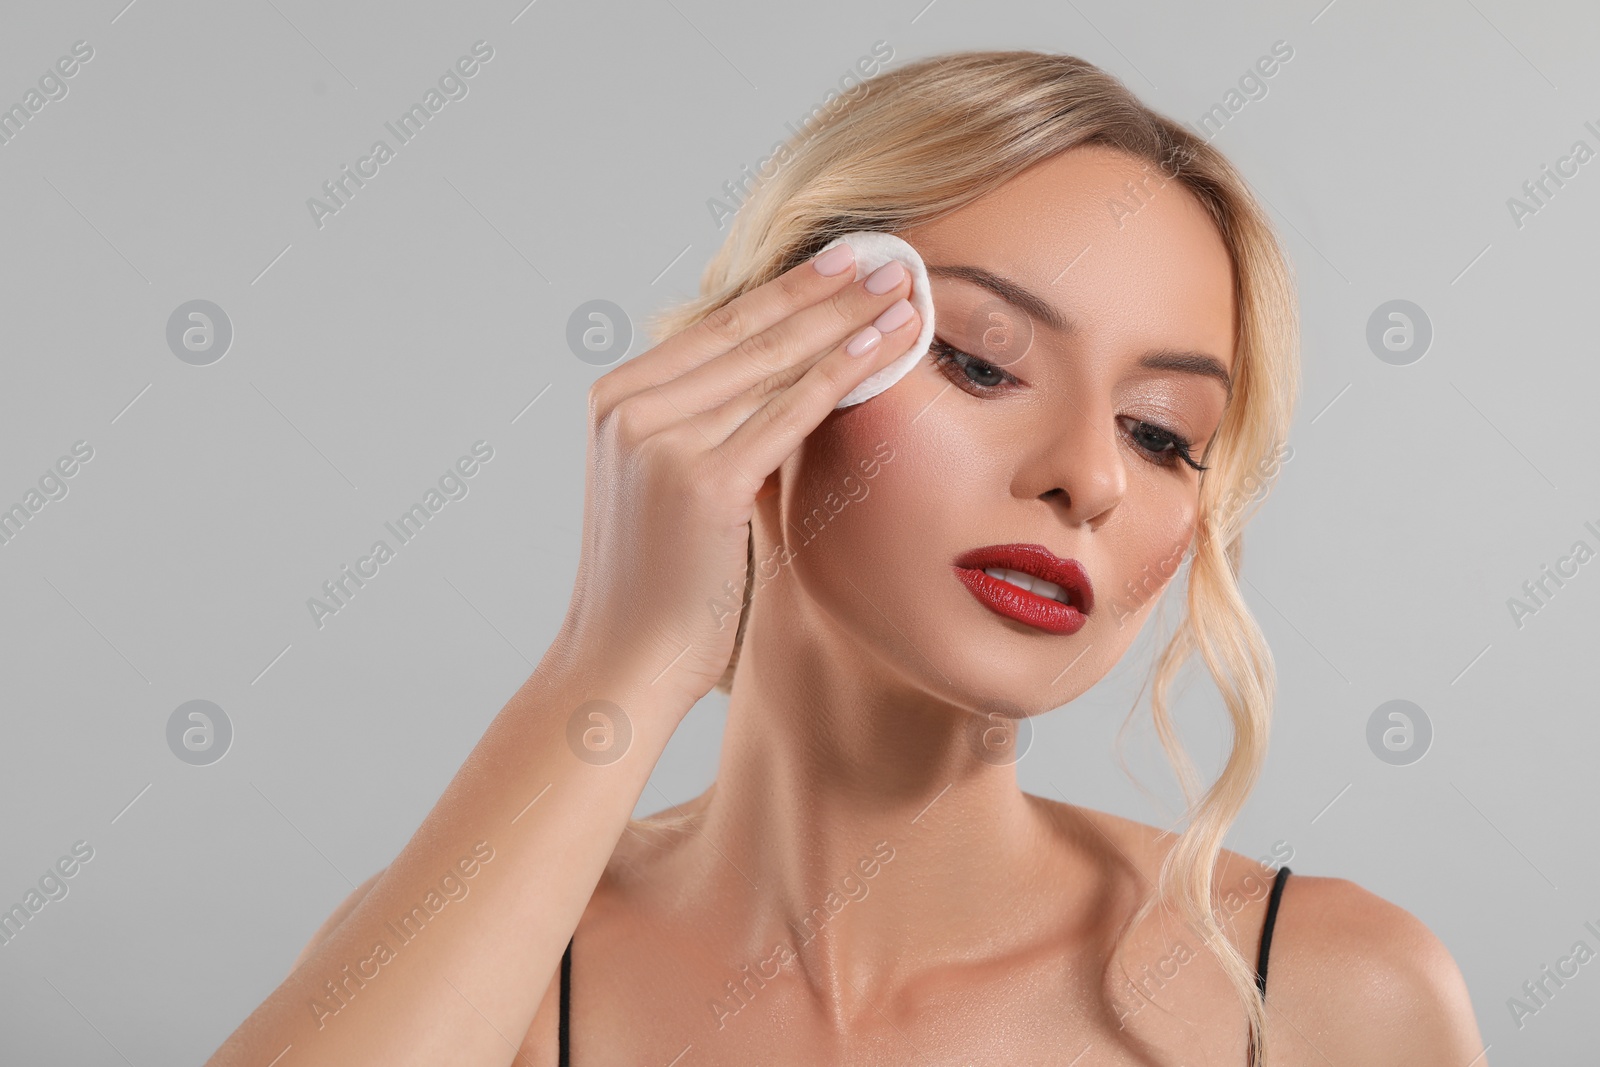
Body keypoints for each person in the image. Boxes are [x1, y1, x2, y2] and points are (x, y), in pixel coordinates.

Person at [206, 49, 1487, 1066]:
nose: (1088, 476)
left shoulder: (1321, 996)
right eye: (980, 361)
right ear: (771, 355)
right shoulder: (493, 972)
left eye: (1162, 434)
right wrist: (620, 660)